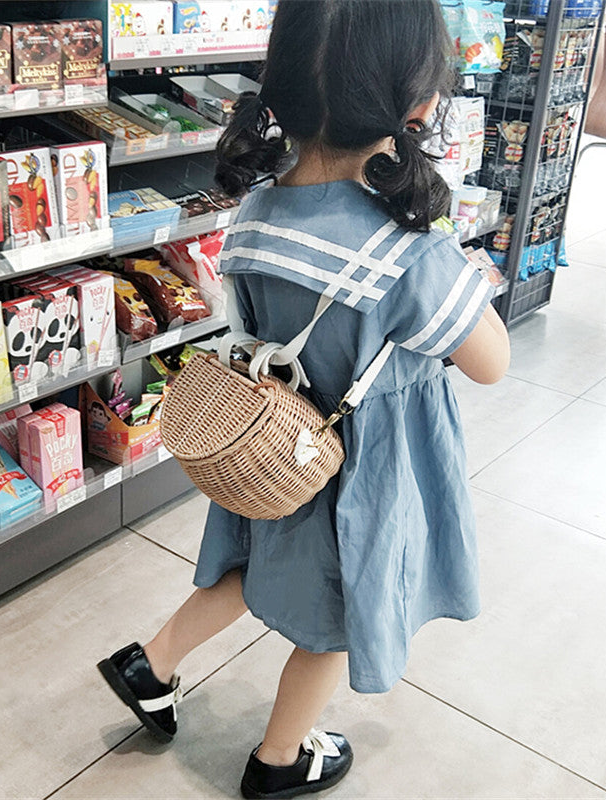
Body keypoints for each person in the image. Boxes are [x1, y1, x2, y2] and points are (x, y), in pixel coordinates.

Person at [97, 1, 511, 797]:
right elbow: (488, 362)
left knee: (249, 563)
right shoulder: (411, 253)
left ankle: (150, 666)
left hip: (266, 441)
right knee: (337, 616)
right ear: (420, 104)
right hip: (359, 467)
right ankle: (280, 761)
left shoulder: (254, 211)